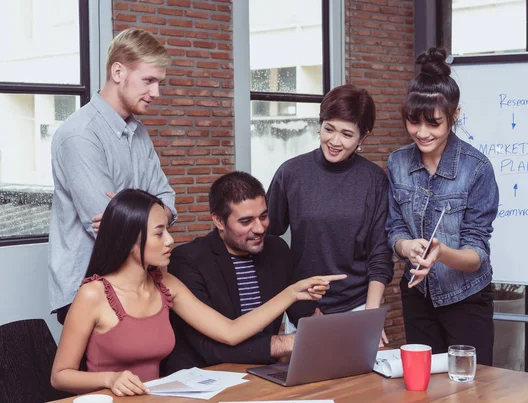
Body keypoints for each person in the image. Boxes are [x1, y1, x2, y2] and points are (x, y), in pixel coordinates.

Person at [50, 188, 345, 397]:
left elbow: (230, 331)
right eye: (159, 233)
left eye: (168, 230)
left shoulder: (165, 284)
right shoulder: (93, 294)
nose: (170, 240)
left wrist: (293, 292)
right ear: (130, 240)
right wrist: (110, 379)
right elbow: (60, 376)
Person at [48, 28, 177, 324]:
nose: (156, 93)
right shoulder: (79, 135)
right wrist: (151, 214)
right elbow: (108, 230)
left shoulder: (139, 133)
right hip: (87, 288)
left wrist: (132, 214)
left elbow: (166, 198)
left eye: (160, 83)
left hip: (135, 282)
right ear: (118, 72)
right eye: (149, 80)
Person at [386, 47, 499, 365]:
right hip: (417, 297)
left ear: (455, 115)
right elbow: (394, 227)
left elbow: (477, 255)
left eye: (433, 124)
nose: (422, 133)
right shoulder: (397, 162)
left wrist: (441, 253)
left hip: (466, 298)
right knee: (425, 390)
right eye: (413, 122)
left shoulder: (476, 168)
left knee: (469, 390)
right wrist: (406, 246)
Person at [266, 84, 393, 346]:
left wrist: (370, 315)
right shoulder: (291, 174)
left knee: (358, 387)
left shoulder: (374, 180)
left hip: (358, 307)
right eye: (329, 129)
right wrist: (299, 307)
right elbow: (268, 241)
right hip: (303, 308)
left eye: (347, 134)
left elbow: (380, 253)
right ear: (320, 125)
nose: (335, 142)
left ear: (362, 138)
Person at [162, 172, 321, 375]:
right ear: (219, 221)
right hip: (205, 378)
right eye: (246, 221)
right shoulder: (187, 260)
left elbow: (306, 314)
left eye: (263, 216)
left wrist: (324, 330)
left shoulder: (277, 250)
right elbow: (209, 348)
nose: (259, 228)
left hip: (263, 373)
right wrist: (284, 344)